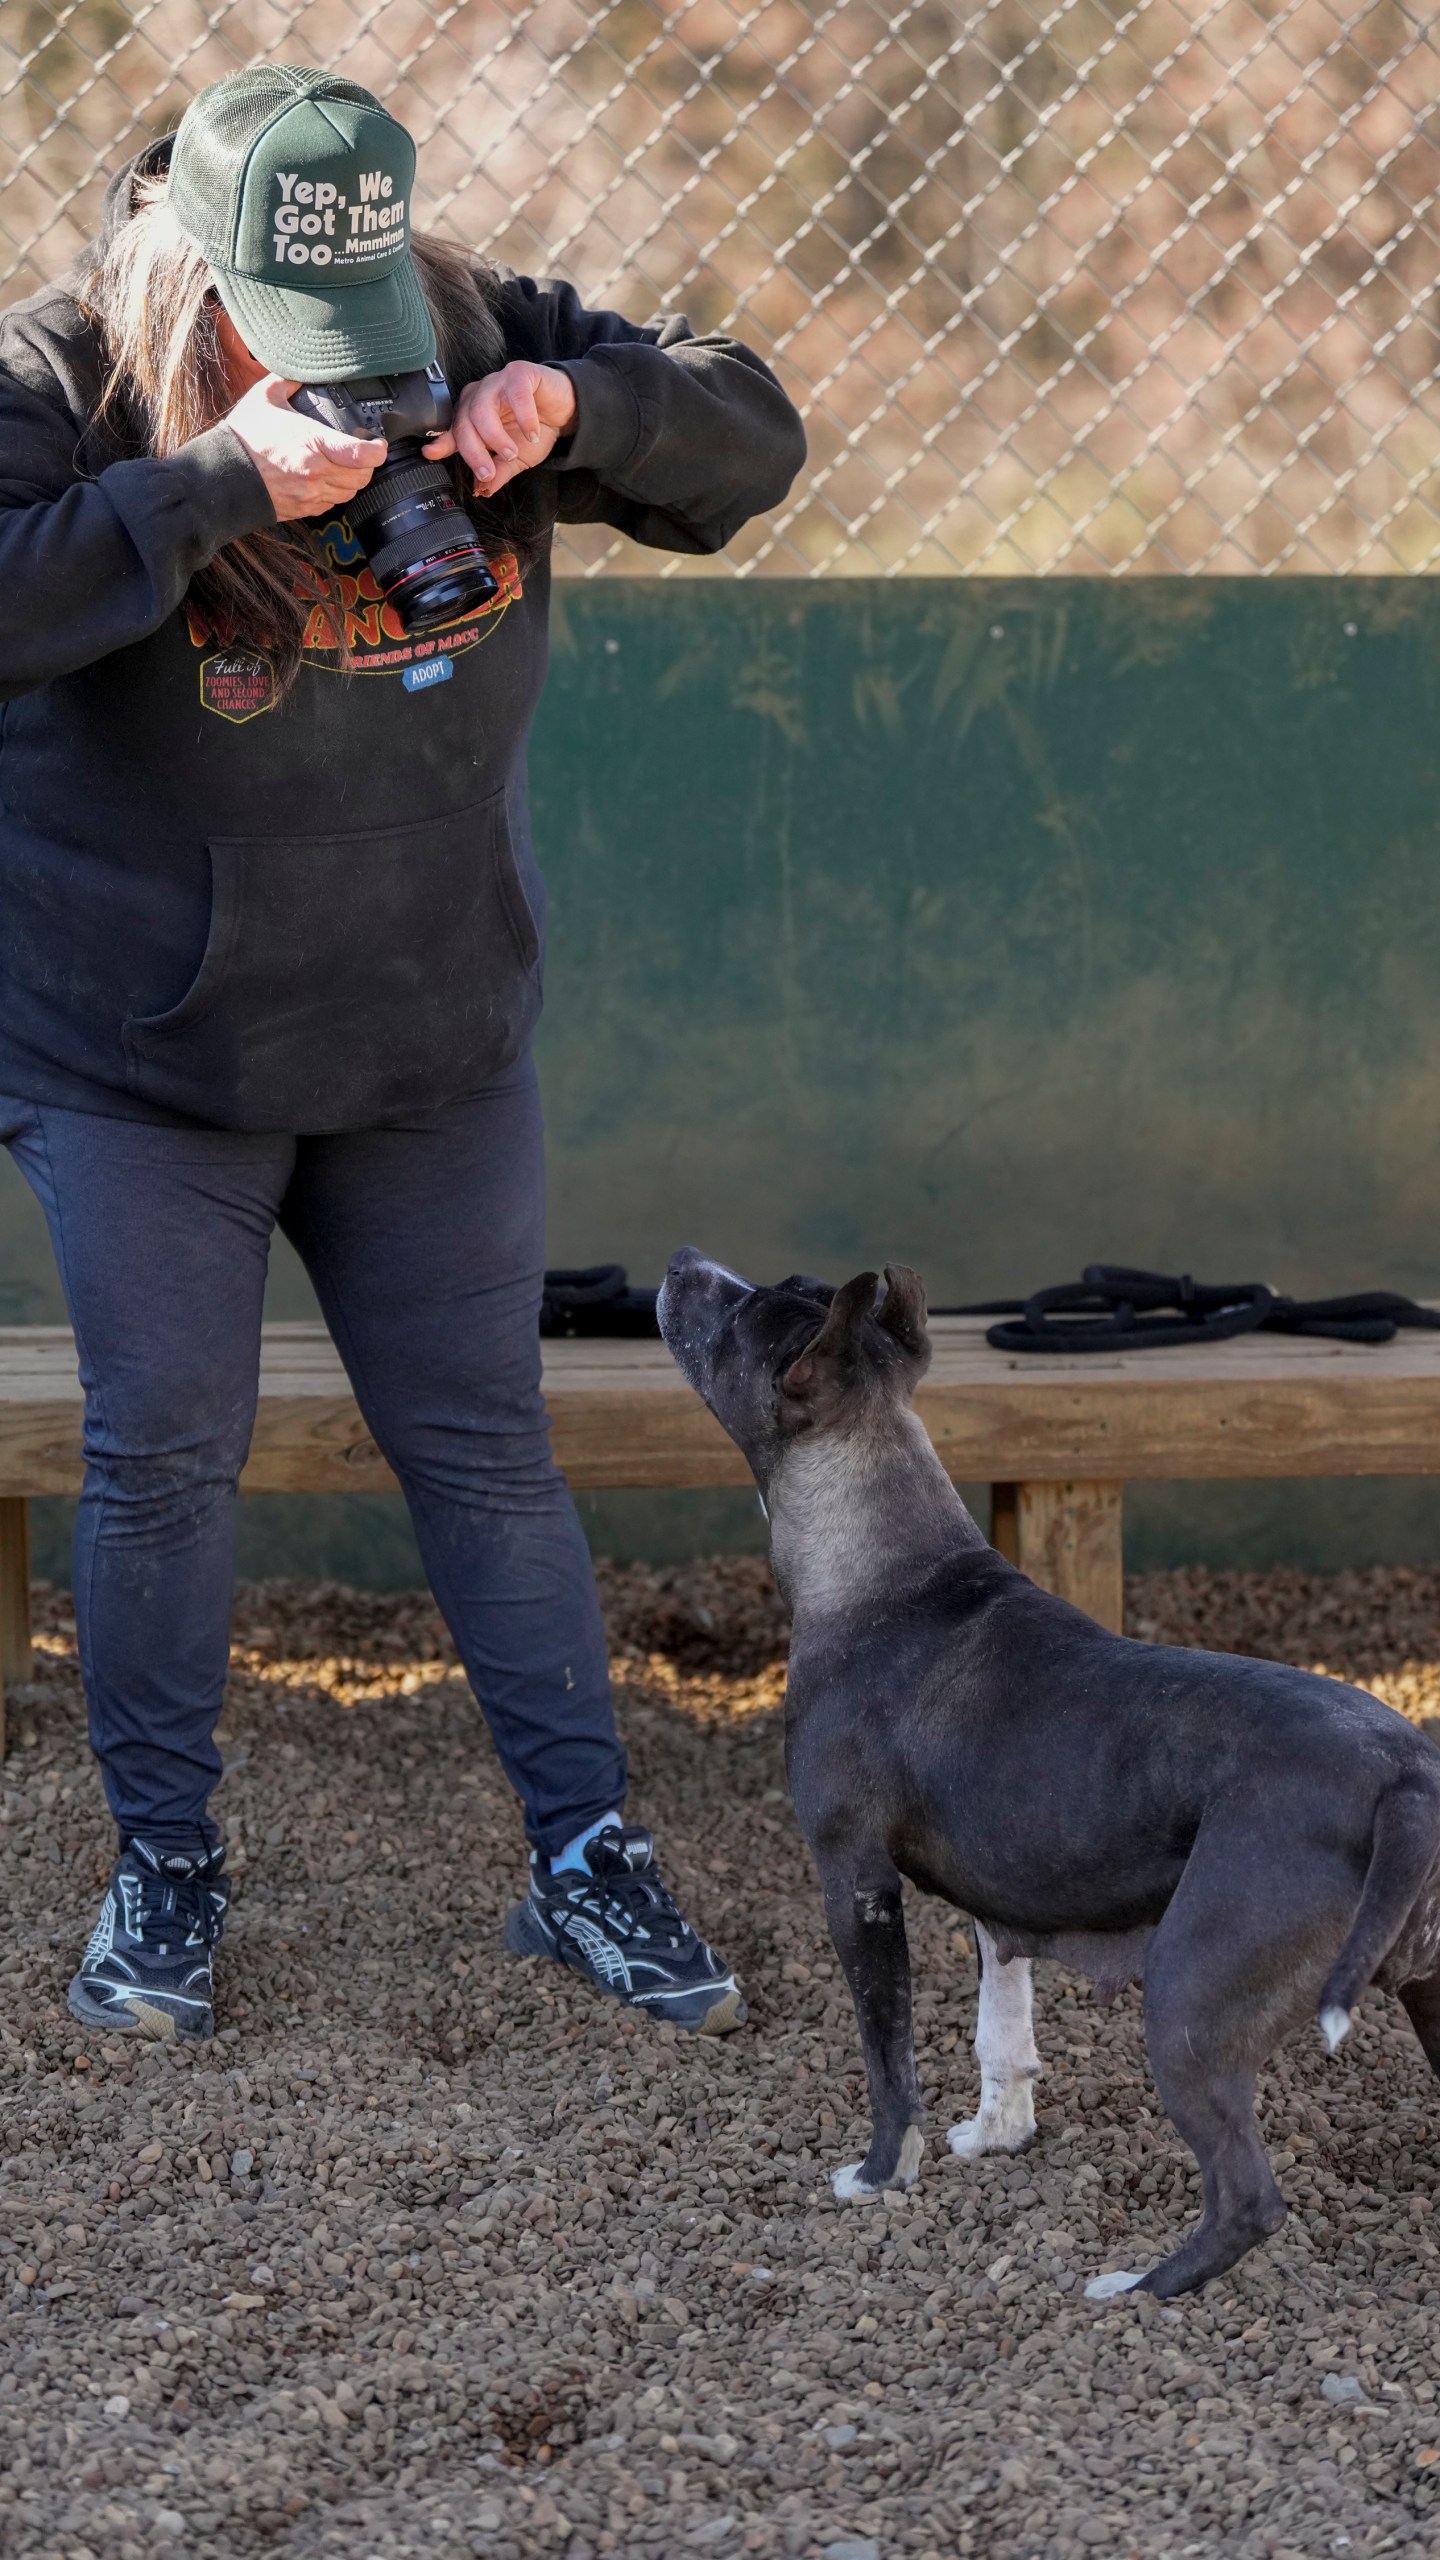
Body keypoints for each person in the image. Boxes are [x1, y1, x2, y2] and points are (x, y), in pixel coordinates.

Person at [0, 65, 805, 2042]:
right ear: (191, 280)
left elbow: (751, 431)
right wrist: (202, 492)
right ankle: (168, 1870)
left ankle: (584, 1848)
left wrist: (584, 410)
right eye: (295, 332)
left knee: (484, 1448)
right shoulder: (59, 381)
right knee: (165, 1458)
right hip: (140, 1056)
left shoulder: (466, 321)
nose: (352, 380)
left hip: (428, 1037)